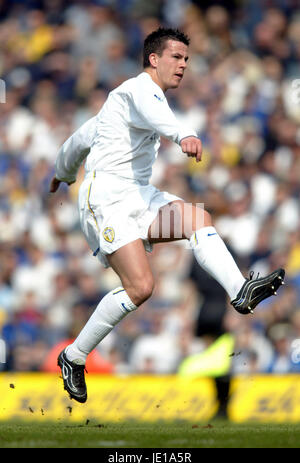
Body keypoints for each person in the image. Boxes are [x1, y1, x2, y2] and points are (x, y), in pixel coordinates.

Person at [50, 28, 285, 403]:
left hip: (139, 197)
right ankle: (73, 356)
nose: (183, 65)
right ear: (154, 59)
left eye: (187, 59)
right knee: (141, 288)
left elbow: (79, 139)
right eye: (176, 57)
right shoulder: (138, 90)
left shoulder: (118, 106)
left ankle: (240, 291)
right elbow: (157, 114)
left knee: (197, 220)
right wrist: (184, 135)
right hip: (107, 199)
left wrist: (61, 173)